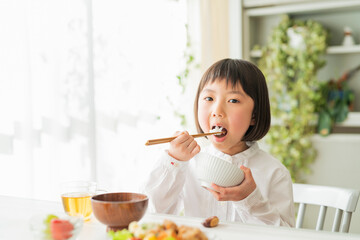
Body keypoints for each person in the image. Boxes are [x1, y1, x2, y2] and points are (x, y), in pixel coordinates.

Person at [142, 58, 295, 227]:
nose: (217, 111)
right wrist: (173, 161)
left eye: (233, 100)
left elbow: (285, 235)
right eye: (209, 98)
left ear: (254, 115)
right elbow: (150, 215)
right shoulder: (188, 165)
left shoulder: (275, 173)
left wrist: (249, 199)